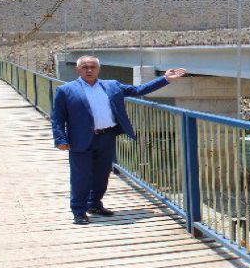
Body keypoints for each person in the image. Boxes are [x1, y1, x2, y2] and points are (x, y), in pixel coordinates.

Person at [51, 55, 187, 225]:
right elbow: (57, 118)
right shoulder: (65, 90)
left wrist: (165, 79)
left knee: (102, 175)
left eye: (93, 67)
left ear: (98, 69)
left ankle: (94, 204)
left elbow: (138, 90)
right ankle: (79, 211)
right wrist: (60, 139)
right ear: (77, 70)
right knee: (81, 177)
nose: (89, 70)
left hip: (106, 137)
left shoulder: (112, 85)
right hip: (80, 140)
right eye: (85, 67)